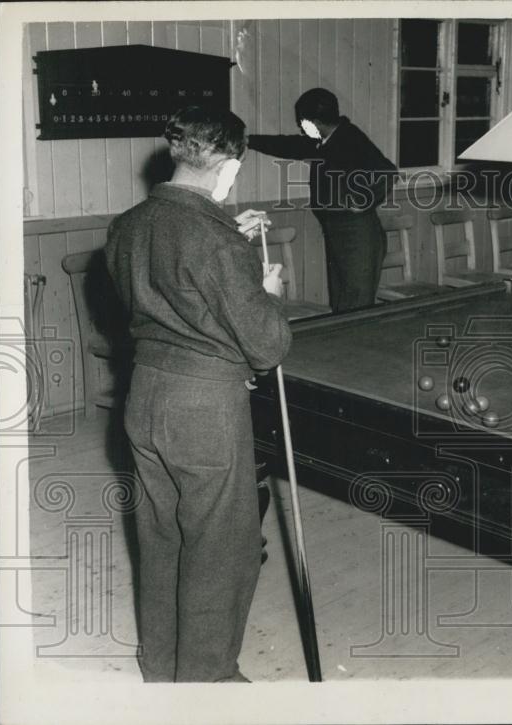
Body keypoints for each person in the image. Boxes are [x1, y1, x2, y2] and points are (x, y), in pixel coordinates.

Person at [105, 106, 292, 682]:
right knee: (222, 548)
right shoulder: (215, 241)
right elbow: (267, 345)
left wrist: (229, 245)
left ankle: (161, 668)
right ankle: (207, 683)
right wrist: (267, 292)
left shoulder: (131, 223)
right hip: (204, 407)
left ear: (178, 155)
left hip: (143, 396)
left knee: (161, 539)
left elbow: (171, 272)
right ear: (230, 166)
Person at [248, 87, 398, 312]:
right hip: (337, 230)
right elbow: (291, 145)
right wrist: (249, 140)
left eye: (302, 123)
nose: (300, 127)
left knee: (355, 305)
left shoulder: (349, 139)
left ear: (316, 122)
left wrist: (362, 203)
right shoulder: (326, 140)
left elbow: (387, 172)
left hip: (357, 233)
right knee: (341, 302)